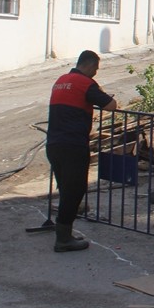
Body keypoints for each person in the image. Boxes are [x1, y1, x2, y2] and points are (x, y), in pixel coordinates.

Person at [45, 50, 117, 252]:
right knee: (74, 191)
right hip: (73, 145)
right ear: (88, 64)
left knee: (67, 189)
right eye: (95, 68)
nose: (95, 72)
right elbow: (111, 105)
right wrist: (101, 92)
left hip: (54, 144)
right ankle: (63, 238)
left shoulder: (61, 80)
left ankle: (64, 232)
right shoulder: (85, 84)